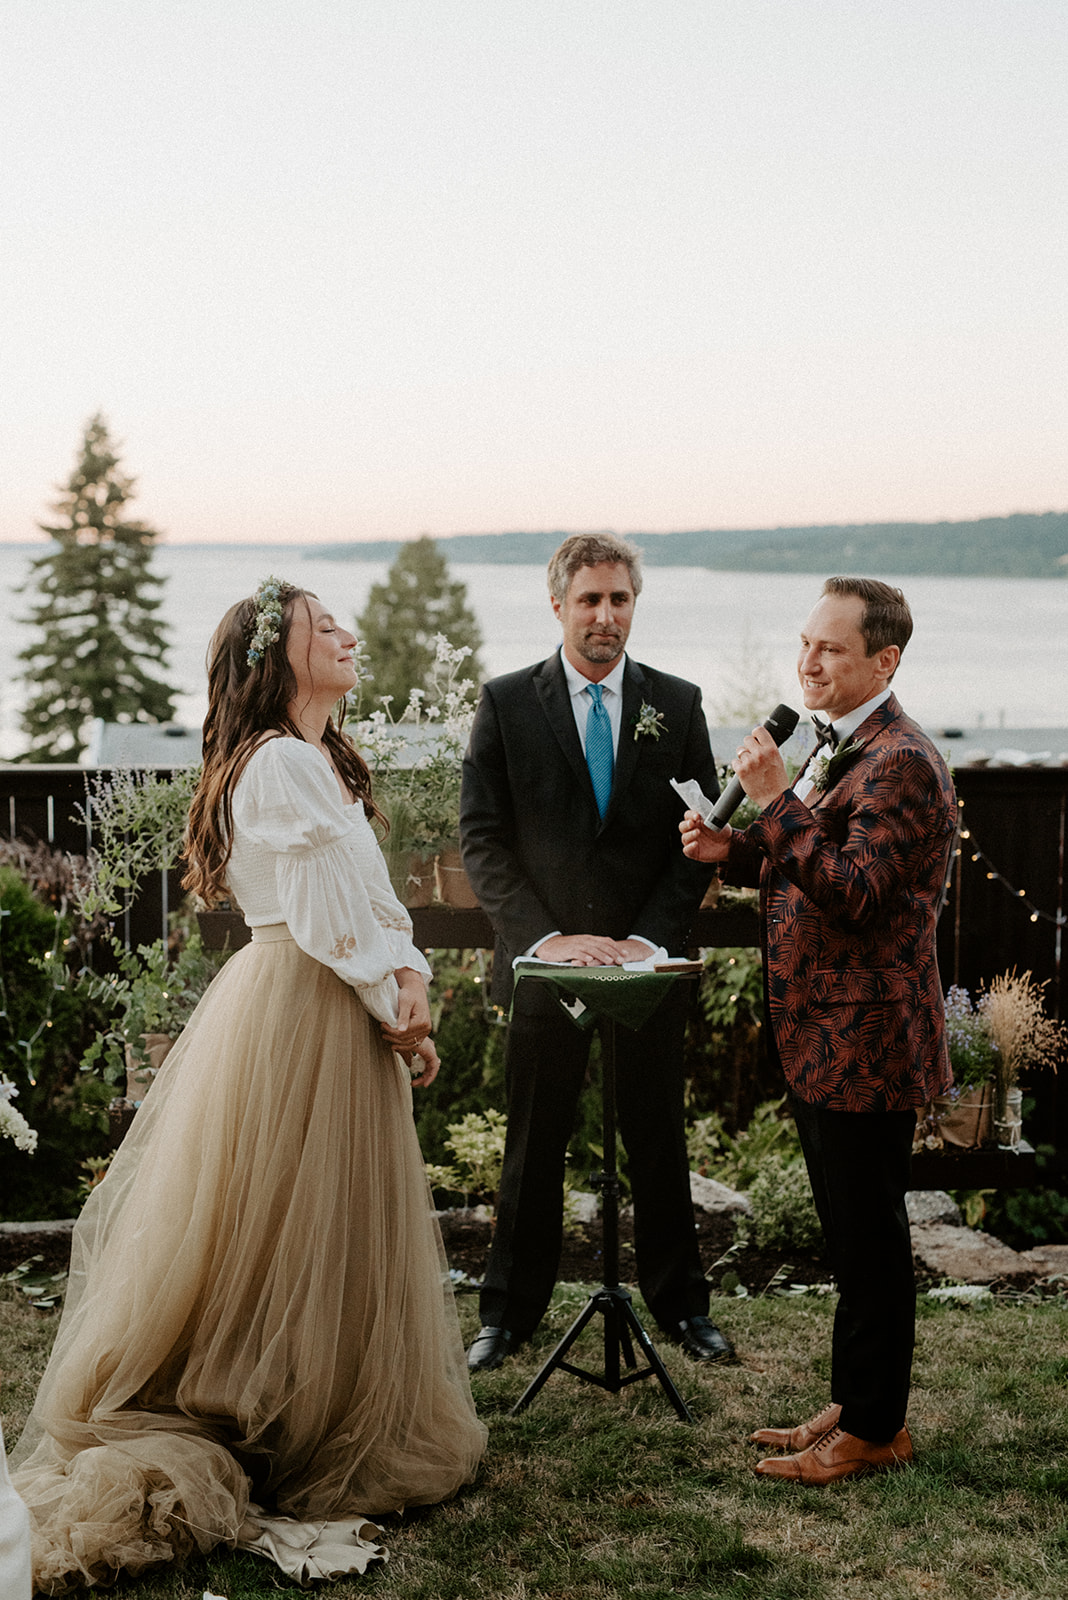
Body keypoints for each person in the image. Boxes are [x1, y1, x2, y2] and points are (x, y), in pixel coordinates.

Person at [11, 578, 486, 1592]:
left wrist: (414, 983)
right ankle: (263, 1409)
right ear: (278, 657)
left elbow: (369, 900)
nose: (349, 634)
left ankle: (323, 1396)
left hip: (339, 1003)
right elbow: (324, 921)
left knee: (327, 1225)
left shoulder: (319, 762)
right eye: (326, 626)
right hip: (300, 1010)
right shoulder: (274, 764)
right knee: (278, 1226)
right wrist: (389, 1001)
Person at [681, 576, 956, 1485]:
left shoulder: (904, 759)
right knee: (849, 1232)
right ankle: (855, 1400)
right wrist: (740, 846)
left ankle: (875, 1432)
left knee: (871, 1238)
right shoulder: (842, 744)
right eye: (806, 642)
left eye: (830, 649)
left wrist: (769, 804)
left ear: (885, 659)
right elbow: (812, 848)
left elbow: (856, 890)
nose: (808, 661)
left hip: (867, 1039)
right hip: (820, 1032)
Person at [459, 533, 732, 1371]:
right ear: (558, 605)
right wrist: (550, 940)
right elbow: (483, 841)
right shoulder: (506, 704)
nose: (605, 616)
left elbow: (703, 837)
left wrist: (645, 940)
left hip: (644, 967)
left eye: (619, 600)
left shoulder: (678, 706)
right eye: (590, 600)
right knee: (533, 1142)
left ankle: (684, 1309)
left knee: (658, 1139)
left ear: (633, 605)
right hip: (547, 966)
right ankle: (506, 1315)